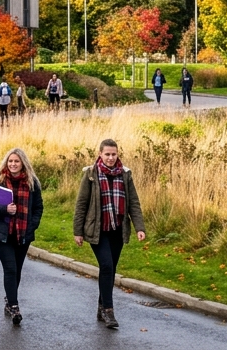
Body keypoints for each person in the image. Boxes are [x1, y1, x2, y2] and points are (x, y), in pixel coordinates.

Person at [73, 138, 146, 330]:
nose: (111, 158)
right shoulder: (90, 174)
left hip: (117, 230)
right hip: (98, 230)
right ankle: (108, 310)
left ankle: (101, 306)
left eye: (114, 154)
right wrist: (77, 231)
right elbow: (81, 204)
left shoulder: (125, 174)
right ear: (100, 154)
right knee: (106, 266)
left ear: (118, 154)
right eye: (107, 154)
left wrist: (139, 227)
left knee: (110, 269)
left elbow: (134, 203)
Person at [0, 148, 44, 325]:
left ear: (23, 163)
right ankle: (14, 306)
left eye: (16, 161)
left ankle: (9, 301)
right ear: (6, 162)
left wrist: (32, 225)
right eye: (10, 161)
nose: (13, 164)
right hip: (2, 233)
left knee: (16, 269)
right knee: (10, 268)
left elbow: (38, 208)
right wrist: (4, 209)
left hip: (23, 233)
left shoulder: (32, 183)